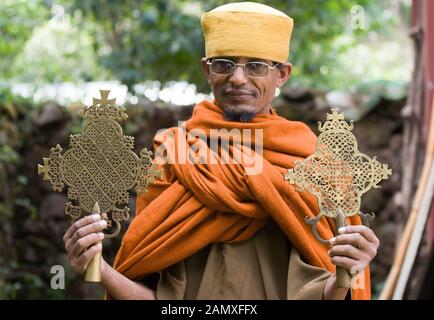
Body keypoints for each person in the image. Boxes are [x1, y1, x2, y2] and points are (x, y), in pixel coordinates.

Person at [62, 2, 379, 300]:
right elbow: (157, 296)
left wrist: (348, 270)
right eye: (224, 64)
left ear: (281, 74)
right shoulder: (175, 153)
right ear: (207, 70)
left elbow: (332, 288)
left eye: (255, 66)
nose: (238, 79)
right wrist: (99, 268)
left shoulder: (312, 161)